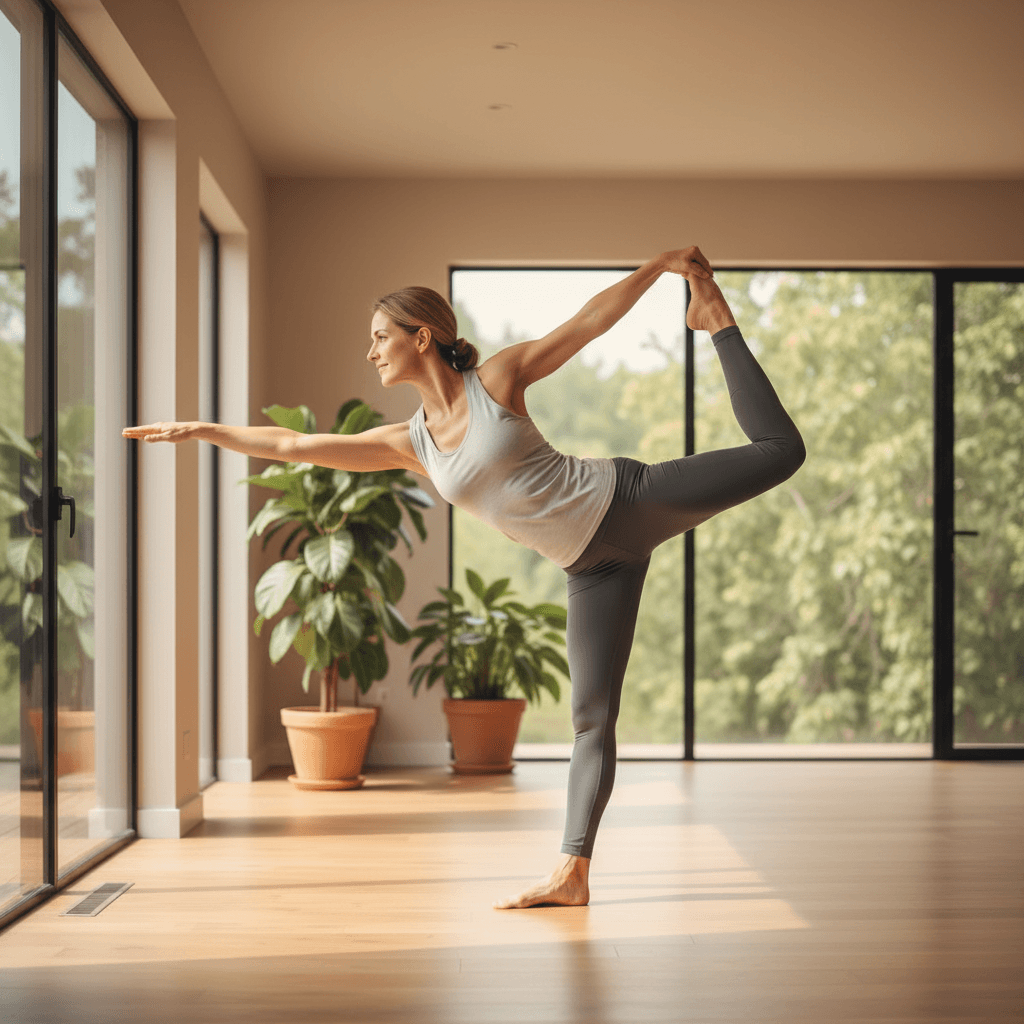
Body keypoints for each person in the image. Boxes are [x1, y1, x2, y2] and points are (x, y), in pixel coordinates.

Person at [123, 246, 805, 910]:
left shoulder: (497, 381)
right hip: (591, 568)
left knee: (780, 452)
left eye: (380, 336)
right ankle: (571, 873)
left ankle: (715, 320)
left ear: (421, 337)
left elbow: (587, 323)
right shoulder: (411, 444)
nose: (371, 351)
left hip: (626, 500)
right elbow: (295, 445)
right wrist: (202, 430)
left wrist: (658, 269)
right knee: (591, 720)